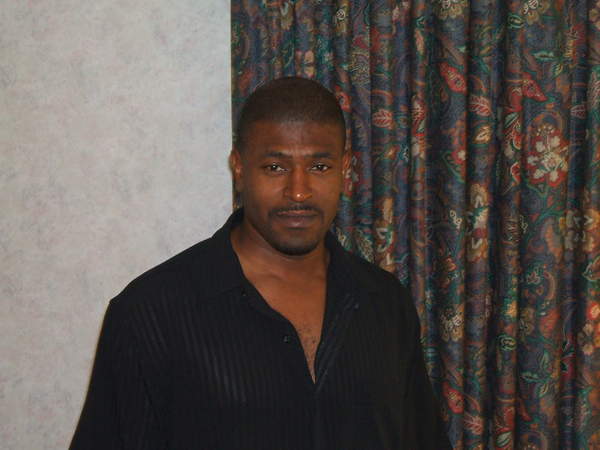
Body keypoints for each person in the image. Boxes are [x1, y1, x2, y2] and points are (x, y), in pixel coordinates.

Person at [70, 77, 451, 449]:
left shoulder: (386, 303)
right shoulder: (150, 314)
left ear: (345, 169)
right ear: (239, 168)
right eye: (275, 167)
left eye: (319, 167)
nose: (298, 191)